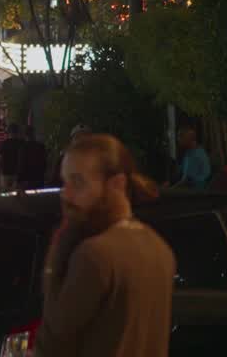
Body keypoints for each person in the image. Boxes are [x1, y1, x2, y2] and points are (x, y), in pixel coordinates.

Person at [36, 134, 174, 357]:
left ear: (116, 184)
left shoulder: (95, 254)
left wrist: (58, 249)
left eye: (78, 182)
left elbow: (55, 339)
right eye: (65, 182)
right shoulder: (158, 247)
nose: (66, 194)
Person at [48, 124, 91, 188]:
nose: (81, 141)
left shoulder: (96, 160)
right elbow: (54, 183)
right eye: (77, 138)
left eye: (85, 138)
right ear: (72, 141)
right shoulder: (63, 159)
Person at [0, 123, 24, 192]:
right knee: (15, 196)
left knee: (4, 195)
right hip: (16, 173)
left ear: (8, 132)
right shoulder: (21, 143)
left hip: (5, 172)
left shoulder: (4, 143)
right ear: (17, 132)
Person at [18, 125, 48, 190]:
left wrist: (19, 179)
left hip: (27, 179)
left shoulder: (23, 147)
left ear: (25, 135)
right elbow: (45, 161)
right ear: (34, 134)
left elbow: (21, 164)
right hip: (39, 177)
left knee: (28, 198)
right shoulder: (41, 146)